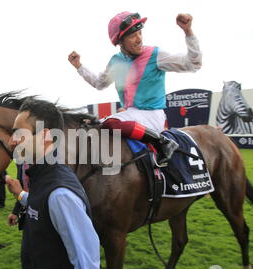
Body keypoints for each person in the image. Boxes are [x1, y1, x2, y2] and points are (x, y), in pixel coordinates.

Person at [68, 12, 202, 165]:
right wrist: (79, 66)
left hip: (152, 115)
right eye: (133, 35)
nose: (139, 39)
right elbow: (100, 83)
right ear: (120, 41)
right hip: (131, 115)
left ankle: (163, 142)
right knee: (91, 127)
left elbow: (193, 64)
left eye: (140, 33)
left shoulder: (155, 55)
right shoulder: (116, 61)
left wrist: (188, 31)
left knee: (111, 124)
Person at [5, 98, 100, 269]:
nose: (11, 141)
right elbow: (42, 206)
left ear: (45, 136)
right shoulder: (42, 177)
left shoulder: (61, 195)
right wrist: (20, 195)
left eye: (18, 134)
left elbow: (86, 267)